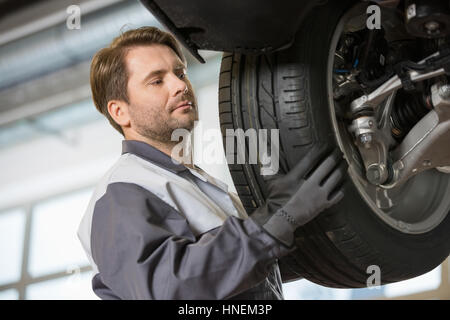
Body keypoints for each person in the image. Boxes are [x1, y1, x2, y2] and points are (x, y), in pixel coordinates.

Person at [77, 26, 347, 300]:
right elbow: (166, 289)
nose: (180, 85)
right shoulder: (122, 192)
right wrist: (274, 221)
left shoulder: (196, 186)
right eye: (157, 81)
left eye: (180, 73)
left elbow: (234, 278)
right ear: (120, 111)